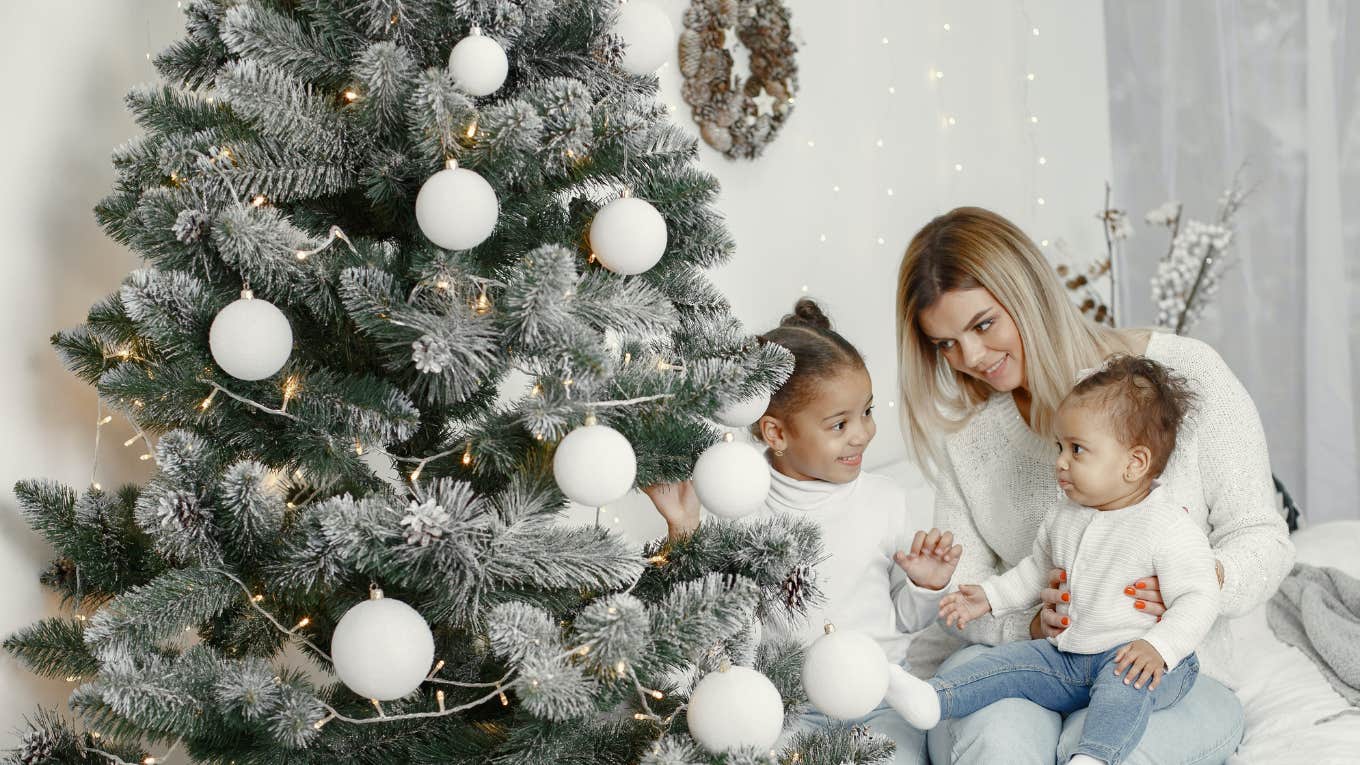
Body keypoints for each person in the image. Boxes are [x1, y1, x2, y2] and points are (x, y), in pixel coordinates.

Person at [895, 207, 1294, 764]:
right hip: (1041, 663)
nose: (971, 359)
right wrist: (1030, 623)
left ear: (1029, 293)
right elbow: (967, 592)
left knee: (1109, 747)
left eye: (983, 325)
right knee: (1000, 741)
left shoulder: (1184, 375)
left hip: (1164, 668)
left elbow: (1262, 536)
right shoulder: (972, 441)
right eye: (945, 344)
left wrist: (1202, 579)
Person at [646, 298, 960, 765]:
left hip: (880, 700)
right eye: (840, 424)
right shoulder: (739, 505)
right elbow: (703, 613)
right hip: (788, 709)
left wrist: (926, 585)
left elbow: (907, 623)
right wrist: (683, 528)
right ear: (776, 434)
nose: (864, 434)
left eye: (867, 412)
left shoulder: (886, 499)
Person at [889, 355, 1218, 765]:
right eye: (1060, 447)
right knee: (1009, 663)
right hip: (1070, 656)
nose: (1060, 461)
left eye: (1077, 450)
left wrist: (1160, 647)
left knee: (1124, 686)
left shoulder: (1167, 525)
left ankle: (1094, 757)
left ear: (1135, 464)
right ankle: (935, 698)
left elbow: (1200, 598)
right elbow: (1034, 572)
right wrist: (988, 597)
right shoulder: (1065, 514)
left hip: (1146, 662)